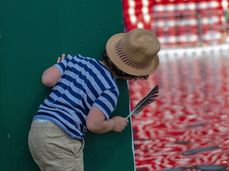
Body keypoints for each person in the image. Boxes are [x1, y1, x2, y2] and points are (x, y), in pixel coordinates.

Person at [28, 28, 161, 171]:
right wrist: (113, 124)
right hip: (62, 139)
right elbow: (93, 124)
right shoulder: (109, 90)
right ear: (132, 75)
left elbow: (47, 80)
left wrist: (59, 66)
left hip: (38, 129)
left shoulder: (76, 60)